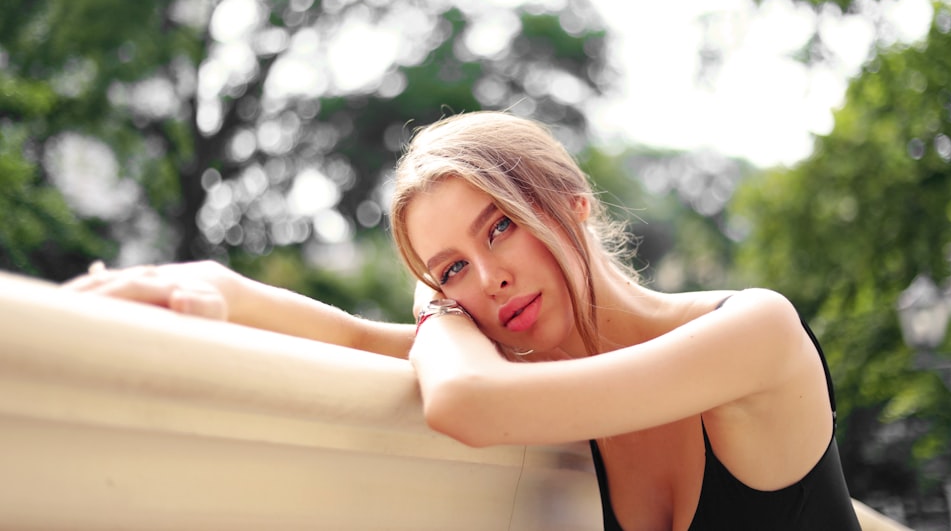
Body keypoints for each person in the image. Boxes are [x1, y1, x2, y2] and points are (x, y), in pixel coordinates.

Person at [67, 111, 863, 531]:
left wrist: (436, 307)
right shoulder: (544, 376)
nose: (490, 279)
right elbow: (358, 340)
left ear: (572, 204)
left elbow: (462, 401)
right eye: (451, 268)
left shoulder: (756, 332)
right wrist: (218, 286)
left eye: (499, 227)